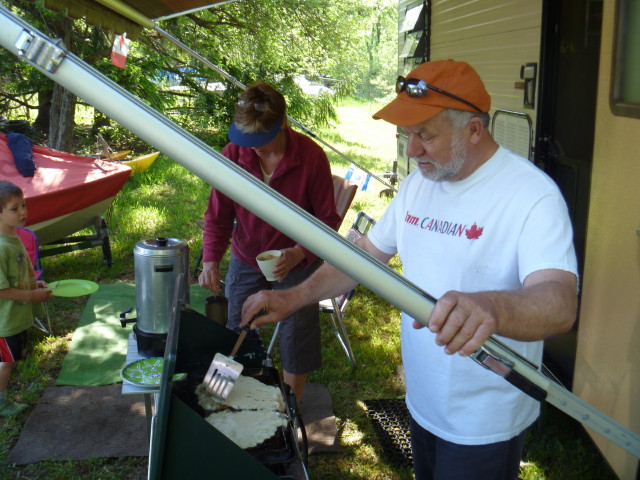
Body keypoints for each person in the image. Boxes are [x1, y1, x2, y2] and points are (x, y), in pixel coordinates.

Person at [240, 60, 578, 479]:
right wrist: (290, 298)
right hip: (422, 399)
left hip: (483, 418)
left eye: (426, 135)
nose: (412, 149)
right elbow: (362, 257)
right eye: (406, 135)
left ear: (474, 130)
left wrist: (494, 307)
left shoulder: (531, 195)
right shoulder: (420, 183)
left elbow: (560, 303)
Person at [198, 81, 340, 401]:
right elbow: (217, 216)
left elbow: (328, 221)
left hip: (296, 262)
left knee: (296, 333)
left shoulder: (311, 157)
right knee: (235, 326)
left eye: (261, 140)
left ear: (283, 124)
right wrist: (210, 261)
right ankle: (222, 400)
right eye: (248, 140)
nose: (254, 148)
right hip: (247, 255)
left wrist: (300, 253)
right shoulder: (233, 155)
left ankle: (289, 408)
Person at [0, 180, 52, 417]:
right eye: (14, 208)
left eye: (23, 205)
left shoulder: (13, 235)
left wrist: (34, 284)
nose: (22, 212)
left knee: (15, 356)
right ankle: (1, 402)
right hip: (5, 320)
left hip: (17, 315)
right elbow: (2, 290)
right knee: (6, 361)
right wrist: (33, 295)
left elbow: (19, 274)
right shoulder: (0, 247)